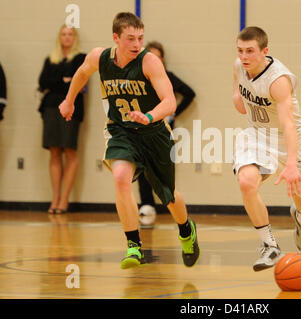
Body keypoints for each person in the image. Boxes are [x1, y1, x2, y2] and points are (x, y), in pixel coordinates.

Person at [59, 12, 200, 269]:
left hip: (154, 131)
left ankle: (186, 229)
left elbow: (169, 102)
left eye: (140, 38)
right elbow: (81, 73)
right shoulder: (99, 58)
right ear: (116, 38)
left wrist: (148, 115)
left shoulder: (149, 62)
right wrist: (68, 100)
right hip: (121, 130)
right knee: (120, 177)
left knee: (167, 196)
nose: (137, 44)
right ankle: (134, 246)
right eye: (131, 39)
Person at [232, 26, 301, 271]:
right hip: (257, 135)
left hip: (290, 139)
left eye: (250, 51)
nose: (244, 56)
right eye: (240, 51)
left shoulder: (278, 80)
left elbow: (288, 125)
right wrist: (239, 99)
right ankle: (270, 245)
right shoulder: (238, 66)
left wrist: (290, 164)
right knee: (246, 181)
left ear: (264, 51)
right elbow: (239, 100)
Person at [137, 41, 196, 224]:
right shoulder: (139, 76)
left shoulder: (167, 76)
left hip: (162, 127)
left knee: (162, 167)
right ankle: (147, 203)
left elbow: (189, 93)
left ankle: (171, 204)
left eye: (157, 56)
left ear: (162, 59)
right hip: (142, 126)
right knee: (142, 165)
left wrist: (173, 113)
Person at [38, 25, 86, 214]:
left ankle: (65, 200)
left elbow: (77, 82)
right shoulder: (51, 59)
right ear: (59, 37)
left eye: (70, 34)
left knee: (70, 151)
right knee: (54, 152)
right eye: (64, 34)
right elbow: (43, 82)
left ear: (75, 37)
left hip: (72, 110)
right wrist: (63, 80)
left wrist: (64, 82)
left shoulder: (81, 58)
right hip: (50, 108)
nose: (67, 37)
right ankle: (55, 199)